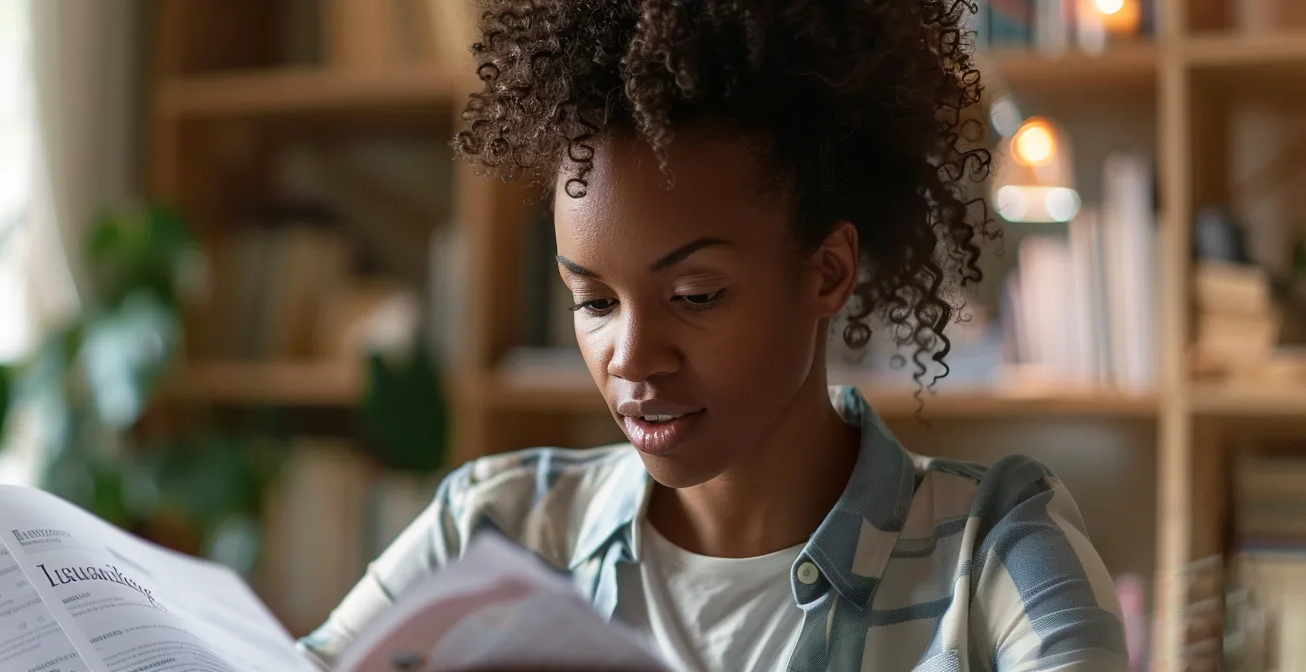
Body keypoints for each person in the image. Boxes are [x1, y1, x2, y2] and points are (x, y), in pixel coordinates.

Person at [299, 0, 1127, 670]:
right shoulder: (492, 527)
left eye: (695, 295)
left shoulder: (994, 549)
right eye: (593, 302)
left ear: (827, 272)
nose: (630, 356)